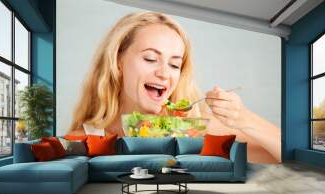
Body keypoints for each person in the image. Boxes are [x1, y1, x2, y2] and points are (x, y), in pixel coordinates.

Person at [68, 12, 281, 163]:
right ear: (118, 62)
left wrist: (244, 118)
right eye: (150, 58)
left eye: (174, 64)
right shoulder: (84, 137)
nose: (164, 73)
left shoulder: (193, 127)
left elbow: (284, 154)